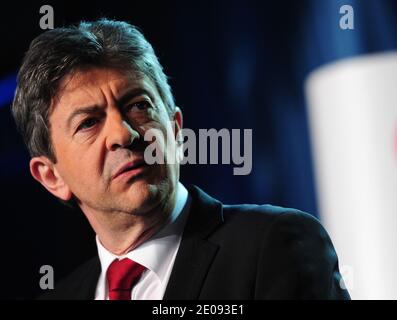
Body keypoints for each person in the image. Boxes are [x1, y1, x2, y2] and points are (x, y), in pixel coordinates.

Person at [12, 18, 350, 300]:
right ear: (51, 177)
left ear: (175, 131)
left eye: (138, 105)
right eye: (89, 122)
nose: (123, 135)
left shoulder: (275, 245)